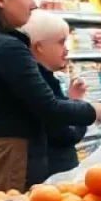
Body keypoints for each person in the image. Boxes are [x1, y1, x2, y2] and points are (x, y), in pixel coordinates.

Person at [0, 0, 101, 190]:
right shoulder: (8, 48)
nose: (34, 4)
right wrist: (90, 110)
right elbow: (48, 108)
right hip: (8, 154)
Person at [24, 10, 88, 176]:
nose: (66, 49)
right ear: (40, 47)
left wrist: (70, 99)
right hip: (51, 178)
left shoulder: (44, 78)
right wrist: (81, 107)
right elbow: (65, 134)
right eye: (61, 42)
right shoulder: (39, 83)